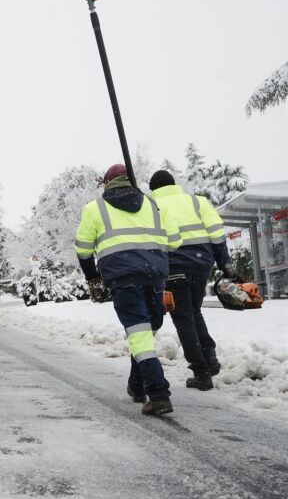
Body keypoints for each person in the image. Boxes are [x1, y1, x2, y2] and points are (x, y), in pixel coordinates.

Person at [75, 164, 182, 416]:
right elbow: (175, 242)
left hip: (123, 278)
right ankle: (137, 384)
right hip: (154, 275)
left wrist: (92, 277)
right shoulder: (154, 205)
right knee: (144, 331)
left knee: (140, 333)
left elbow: (83, 249)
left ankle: (158, 393)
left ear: (106, 183)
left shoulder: (95, 208)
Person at [149, 169, 230, 390]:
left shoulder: (152, 206)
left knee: (183, 317)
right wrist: (225, 263)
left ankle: (201, 373)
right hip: (201, 263)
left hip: (173, 265)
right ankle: (209, 357)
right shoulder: (197, 201)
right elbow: (217, 234)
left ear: (153, 189)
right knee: (194, 311)